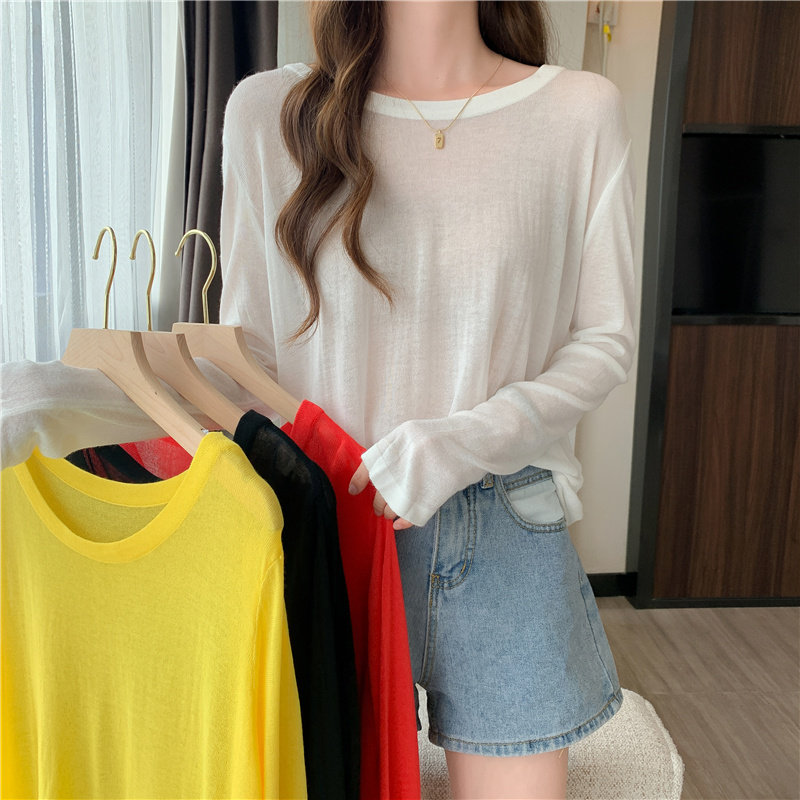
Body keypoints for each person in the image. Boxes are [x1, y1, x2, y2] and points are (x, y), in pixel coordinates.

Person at [219, 1, 636, 797]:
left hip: (505, 517)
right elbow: (246, 356)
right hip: (328, 518)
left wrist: (462, 441)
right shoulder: (269, 115)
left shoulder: (579, 113)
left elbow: (605, 339)